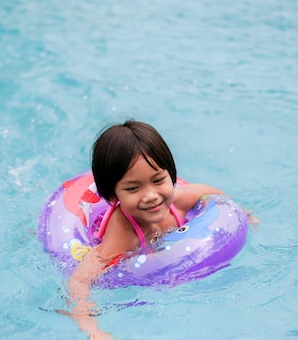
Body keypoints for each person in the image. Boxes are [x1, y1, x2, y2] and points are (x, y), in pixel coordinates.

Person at [66, 120, 225, 339]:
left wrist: (245, 215)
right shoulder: (123, 232)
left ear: (171, 175)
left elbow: (215, 195)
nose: (151, 195)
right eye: (133, 188)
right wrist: (89, 325)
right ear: (113, 195)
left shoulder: (180, 200)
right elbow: (80, 280)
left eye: (158, 180)